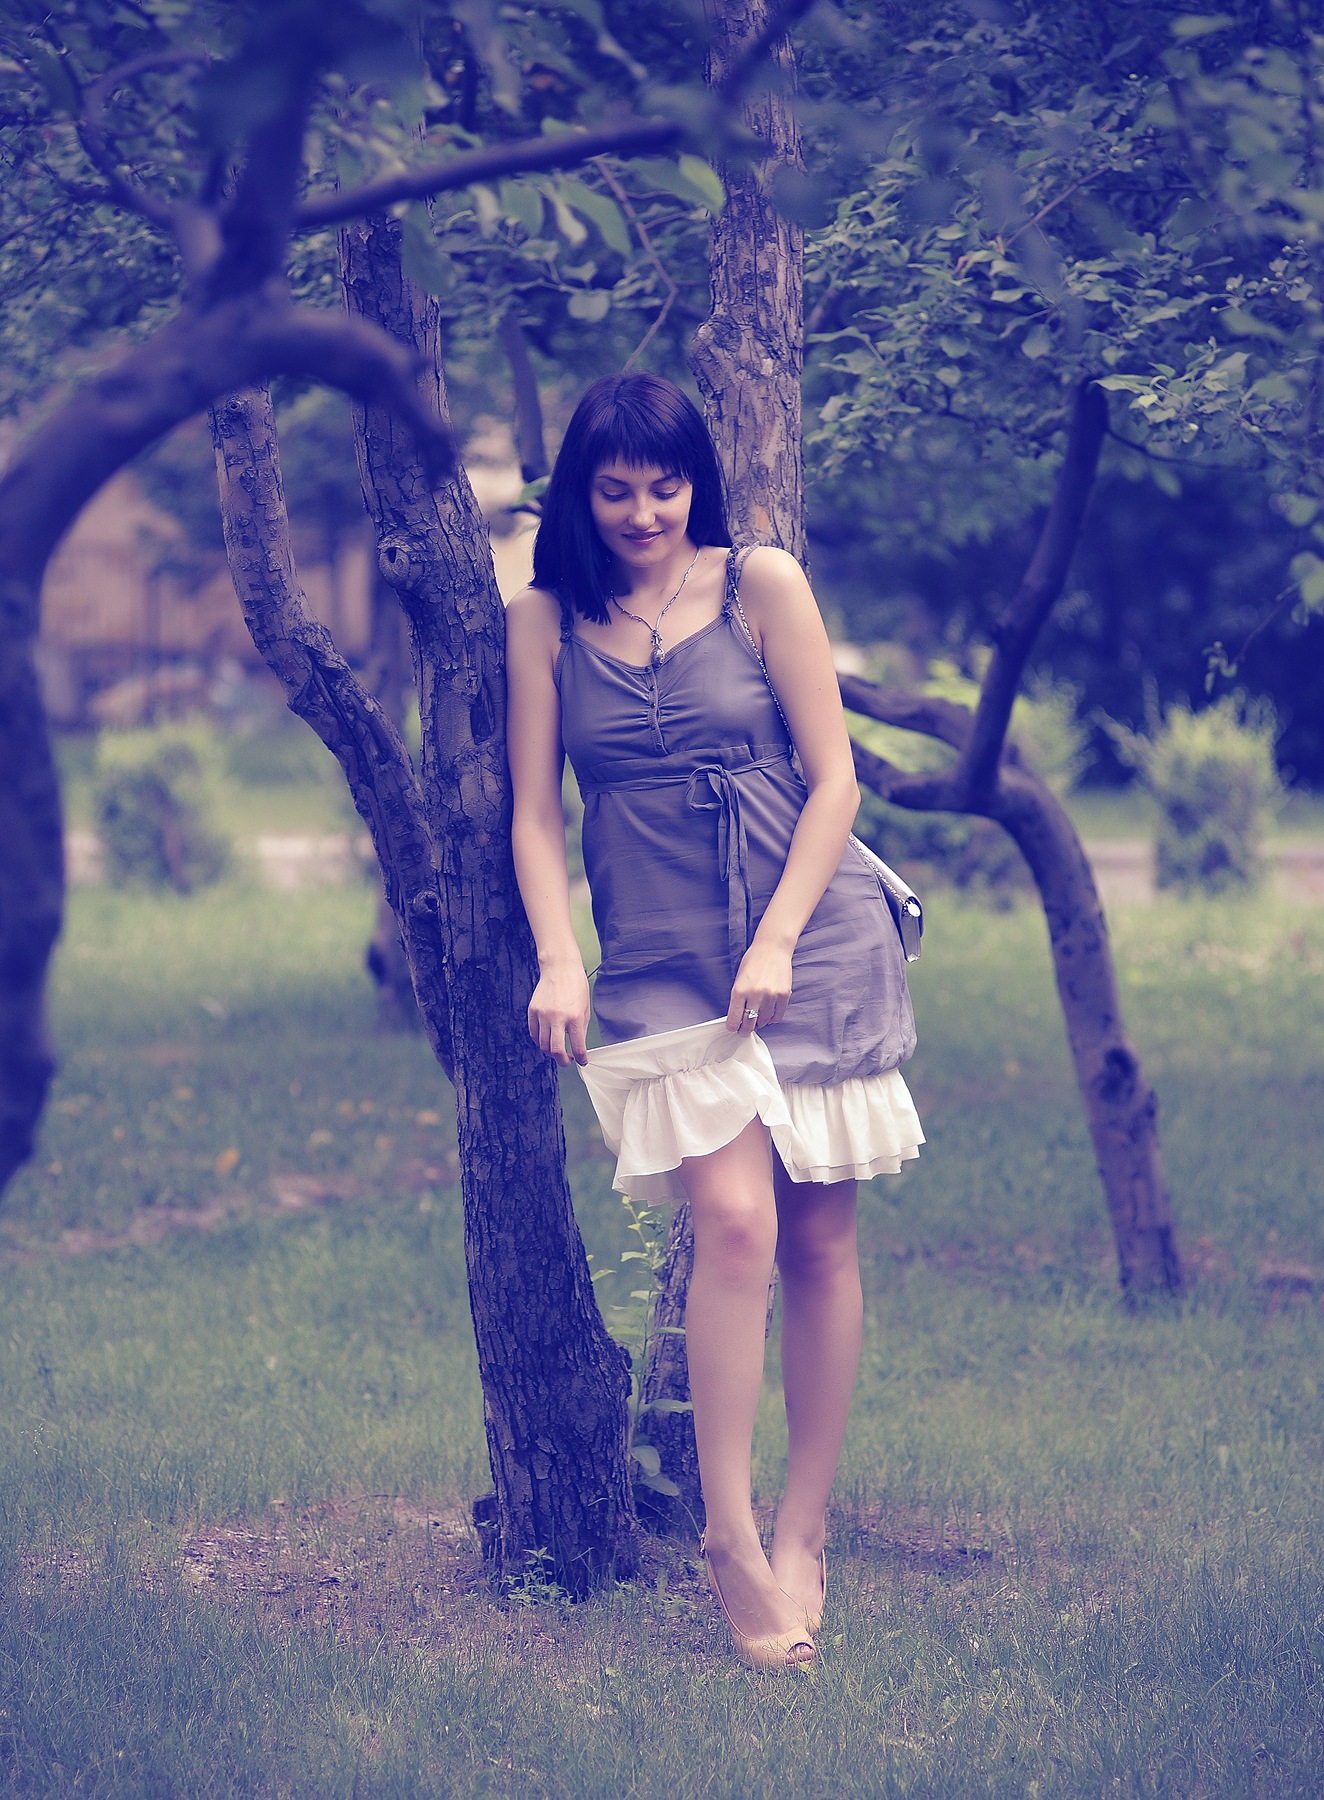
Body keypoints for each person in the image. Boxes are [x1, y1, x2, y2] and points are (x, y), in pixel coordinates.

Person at [505, 372, 923, 1670]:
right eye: (615, 490)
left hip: (807, 932)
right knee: (735, 1222)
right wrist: (560, 959)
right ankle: (727, 1537)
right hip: (657, 953)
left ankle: (804, 1530)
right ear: (579, 494)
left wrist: (781, 939)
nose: (643, 513)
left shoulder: (760, 586)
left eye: (665, 486)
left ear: (699, 484)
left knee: (819, 1236)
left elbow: (836, 780)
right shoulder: (544, 619)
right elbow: (534, 813)